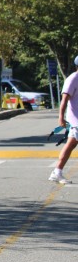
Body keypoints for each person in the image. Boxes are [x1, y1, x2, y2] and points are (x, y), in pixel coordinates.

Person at [50, 55, 78, 183]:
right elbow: (64, 100)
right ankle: (57, 172)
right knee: (70, 144)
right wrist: (61, 117)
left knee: (71, 144)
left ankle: (57, 172)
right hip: (76, 119)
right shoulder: (73, 79)